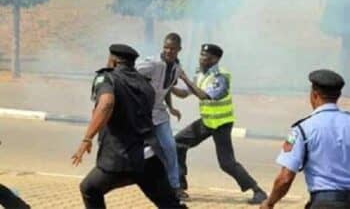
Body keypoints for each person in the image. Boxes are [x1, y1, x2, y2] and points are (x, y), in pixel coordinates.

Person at [71, 44, 186, 209]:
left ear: (114, 60)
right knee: (169, 204)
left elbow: (106, 104)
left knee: (90, 189)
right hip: (149, 155)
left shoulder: (107, 78)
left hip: (121, 157)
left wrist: (87, 139)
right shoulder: (146, 84)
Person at [172, 43, 267, 204]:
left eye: (206, 57)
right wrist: (168, 87)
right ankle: (180, 186)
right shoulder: (200, 73)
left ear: (215, 59)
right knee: (178, 143)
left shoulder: (221, 76)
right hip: (207, 121)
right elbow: (184, 94)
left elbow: (204, 96)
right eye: (201, 55)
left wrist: (184, 78)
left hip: (222, 123)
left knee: (227, 163)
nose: (202, 59)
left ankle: (258, 191)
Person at [261, 69, 350, 209]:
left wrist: (269, 202)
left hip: (325, 203)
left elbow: (285, 179)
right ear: (338, 95)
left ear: (314, 95)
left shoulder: (301, 130)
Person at [136, 33, 188, 200]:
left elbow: (166, 89)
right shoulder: (152, 63)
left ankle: (175, 187)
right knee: (139, 148)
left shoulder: (177, 69)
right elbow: (130, 72)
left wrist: (171, 107)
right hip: (142, 113)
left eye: (172, 48)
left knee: (170, 147)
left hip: (160, 114)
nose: (168, 51)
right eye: (166, 47)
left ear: (179, 50)